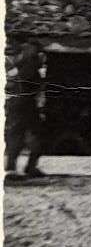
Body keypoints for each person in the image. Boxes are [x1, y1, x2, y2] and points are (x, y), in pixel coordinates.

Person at [5, 41, 46, 177]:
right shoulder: (29, 67)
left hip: (25, 104)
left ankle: (27, 167)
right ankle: (13, 168)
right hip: (22, 104)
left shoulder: (21, 67)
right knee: (18, 136)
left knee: (34, 135)